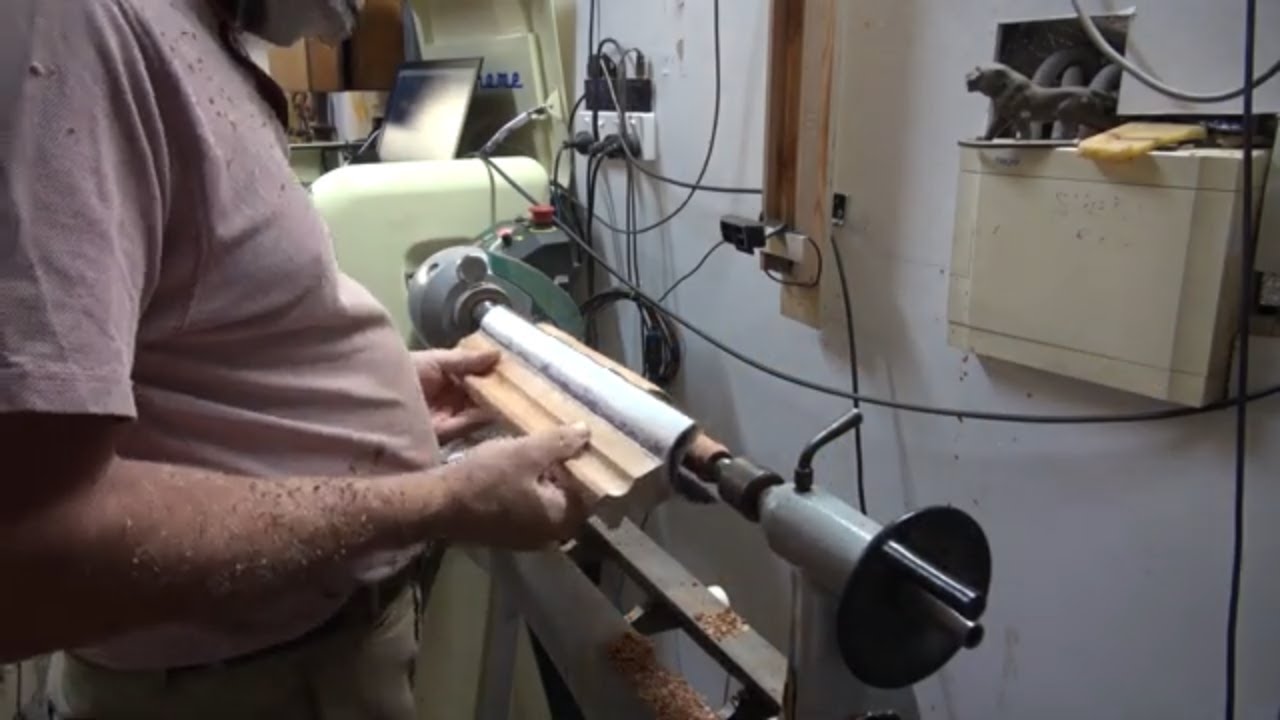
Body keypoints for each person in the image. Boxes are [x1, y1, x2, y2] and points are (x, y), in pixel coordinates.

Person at [0, 0, 592, 717]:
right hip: (233, 690)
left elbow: (186, 339)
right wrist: (439, 500)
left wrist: (351, 412)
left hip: (311, 657)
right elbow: (32, 549)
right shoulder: (72, 28)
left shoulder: (193, 34)